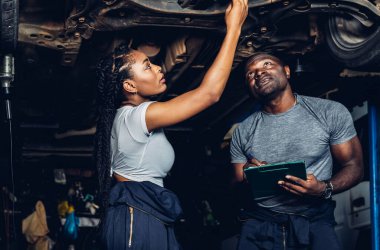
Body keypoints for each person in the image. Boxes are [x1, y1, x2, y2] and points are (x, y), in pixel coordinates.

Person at [94, 0, 248, 249]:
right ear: (130, 86)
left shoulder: (127, 117)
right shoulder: (138, 116)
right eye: (147, 66)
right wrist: (234, 28)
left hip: (144, 211)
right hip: (138, 215)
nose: (157, 67)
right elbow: (209, 94)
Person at [230, 52, 364, 250]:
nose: (259, 73)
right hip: (261, 224)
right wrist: (248, 172)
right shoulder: (243, 131)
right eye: (251, 74)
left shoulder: (329, 112)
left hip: (314, 219)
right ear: (249, 86)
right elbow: (235, 183)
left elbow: (355, 167)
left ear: (287, 71)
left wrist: (323, 188)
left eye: (267, 64)